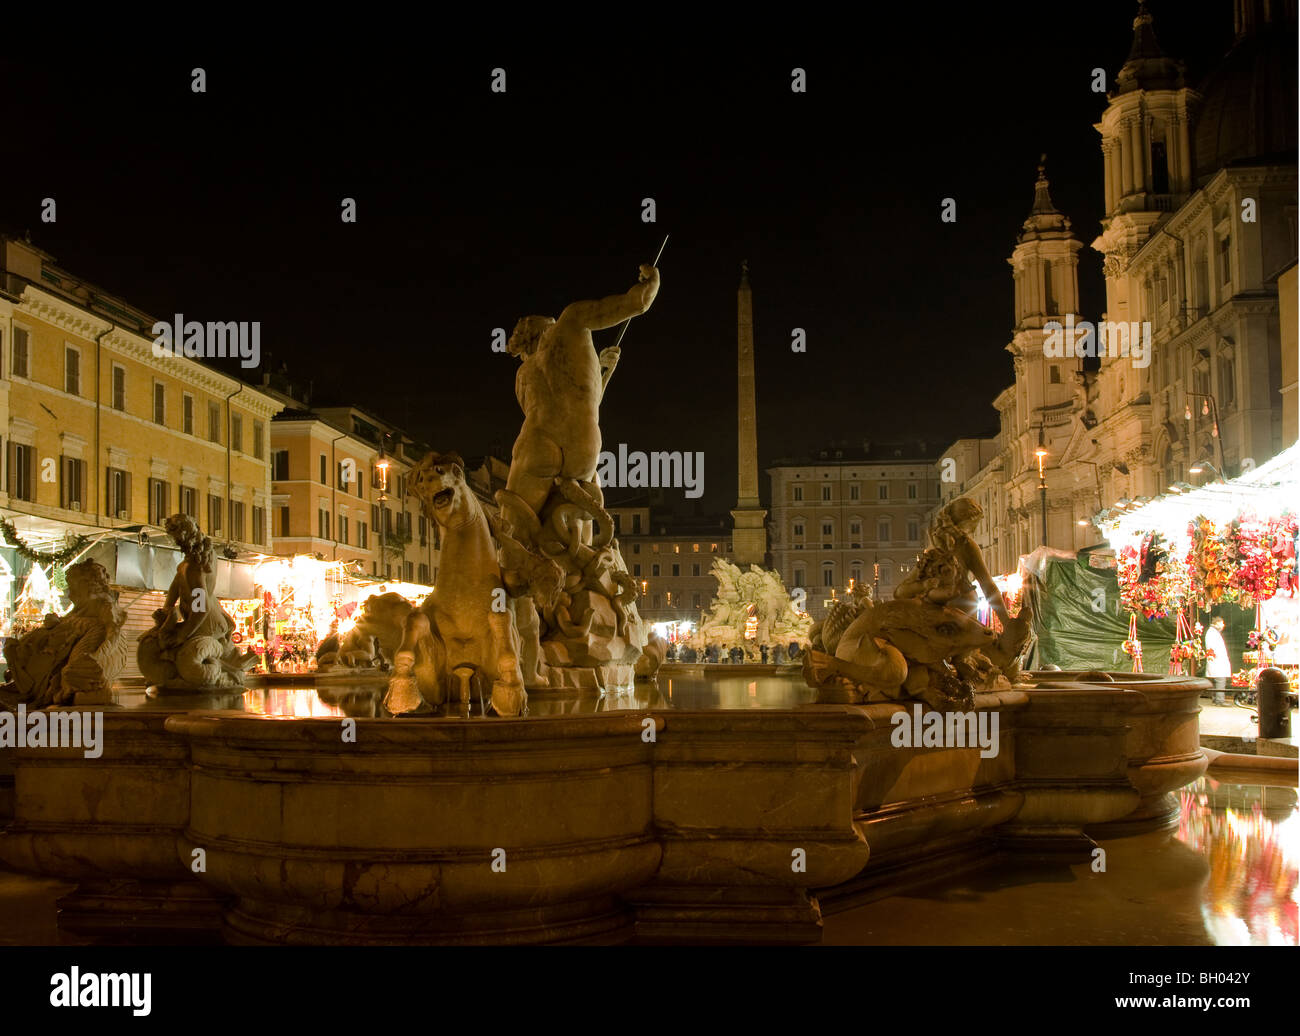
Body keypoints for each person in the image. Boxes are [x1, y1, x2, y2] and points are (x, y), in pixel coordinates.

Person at [1204, 616, 1231, 706]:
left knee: (1218, 680)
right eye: (1222, 623)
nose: (1223, 625)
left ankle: (1216, 699)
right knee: (1220, 679)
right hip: (1217, 660)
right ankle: (1220, 700)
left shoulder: (1214, 632)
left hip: (1218, 660)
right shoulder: (1212, 633)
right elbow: (1212, 648)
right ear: (1217, 623)